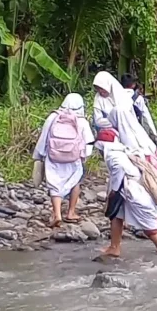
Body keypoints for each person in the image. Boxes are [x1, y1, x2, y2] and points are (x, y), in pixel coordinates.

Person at [95, 128, 157, 266]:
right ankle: (114, 247)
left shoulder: (113, 157)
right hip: (135, 190)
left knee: (152, 231)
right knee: (116, 215)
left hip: (136, 195)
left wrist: (111, 195)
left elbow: (117, 179)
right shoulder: (123, 151)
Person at [32, 94, 95, 227]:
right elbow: (89, 141)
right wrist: (84, 156)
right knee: (75, 182)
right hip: (73, 158)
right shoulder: (81, 121)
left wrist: (39, 154)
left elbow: (44, 136)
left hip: (53, 156)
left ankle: (57, 214)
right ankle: (71, 212)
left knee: (54, 184)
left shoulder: (53, 117)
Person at [93, 71, 157, 173]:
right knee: (118, 111)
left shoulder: (122, 96)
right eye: (98, 89)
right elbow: (98, 121)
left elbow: (132, 117)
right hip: (110, 128)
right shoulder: (98, 99)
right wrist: (114, 122)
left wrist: (153, 133)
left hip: (128, 125)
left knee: (141, 144)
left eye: (102, 88)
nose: (100, 91)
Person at [120, 74, 157, 144]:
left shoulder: (116, 97)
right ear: (133, 85)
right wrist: (154, 134)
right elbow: (146, 116)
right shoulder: (138, 98)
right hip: (137, 128)